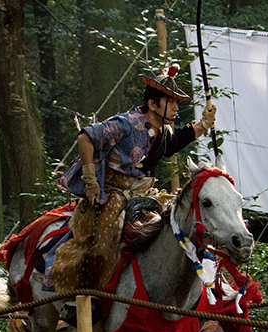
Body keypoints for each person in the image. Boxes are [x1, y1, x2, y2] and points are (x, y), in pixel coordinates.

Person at [52, 63, 217, 292]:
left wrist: (205, 124)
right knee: (102, 245)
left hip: (144, 194)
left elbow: (180, 139)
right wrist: (91, 181)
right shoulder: (127, 123)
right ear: (152, 104)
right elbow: (85, 138)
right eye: (172, 102)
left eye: (177, 102)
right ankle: (87, 297)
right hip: (112, 193)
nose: (176, 108)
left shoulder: (163, 131)